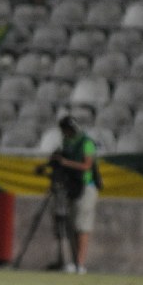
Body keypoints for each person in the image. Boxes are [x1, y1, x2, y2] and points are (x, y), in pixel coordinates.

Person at [51, 115, 100, 275]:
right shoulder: (68, 143)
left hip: (86, 187)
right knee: (72, 226)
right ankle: (74, 262)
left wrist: (65, 162)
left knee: (82, 226)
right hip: (72, 188)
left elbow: (87, 165)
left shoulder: (86, 143)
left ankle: (80, 263)